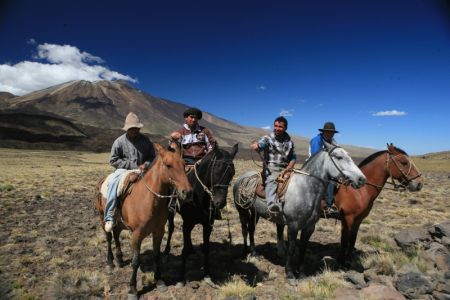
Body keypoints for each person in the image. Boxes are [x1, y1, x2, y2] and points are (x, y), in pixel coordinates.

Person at [104, 112, 156, 232]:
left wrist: (146, 164)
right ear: (127, 129)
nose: (134, 131)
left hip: (144, 170)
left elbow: (152, 156)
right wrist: (132, 165)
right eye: (131, 129)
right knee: (113, 184)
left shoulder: (146, 140)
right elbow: (113, 160)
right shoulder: (119, 141)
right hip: (123, 170)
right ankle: (110, 216)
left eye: (136, 129)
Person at [169, 107, 221, 218]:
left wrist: (204, 160)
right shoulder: (179, 132)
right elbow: (173, 150)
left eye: (195, 118)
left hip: (203, 162)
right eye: (191, 117)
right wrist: (173, 140)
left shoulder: (205, 131)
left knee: (215, 179)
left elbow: (212, 147)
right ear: (186, 118)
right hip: (185, 162)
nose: (193, 120)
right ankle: (172, 204)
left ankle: (215, 207)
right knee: (174, 178)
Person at [251, 116, 296, 213]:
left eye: (280, 127)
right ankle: (272, 204)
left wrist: (289, 168)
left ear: (285, 128)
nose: (277, 128)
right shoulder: (268, 138)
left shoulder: (290, 142)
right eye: (275, 126)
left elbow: (293, 157)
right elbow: (261, 145)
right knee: (272, 180)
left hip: (286, 168)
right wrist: (257, 146)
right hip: (271, 168)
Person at [309, 121, 339, 215]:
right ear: (324, 132)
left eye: (332, 132)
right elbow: (316, 157)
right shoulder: (317, 140)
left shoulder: (333, 142)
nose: (330, 134)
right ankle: (328, 205)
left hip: (327, 166)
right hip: (314, 165)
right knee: (330, 179)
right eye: (328, 132)